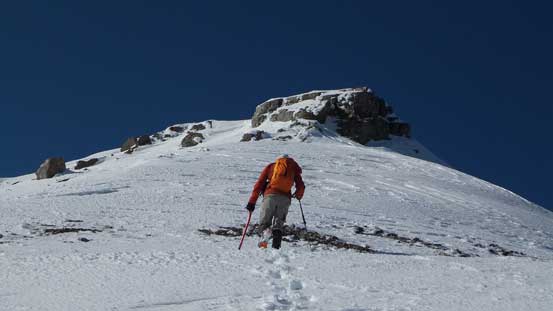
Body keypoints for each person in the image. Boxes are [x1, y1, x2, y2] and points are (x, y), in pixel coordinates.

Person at [246, 154, 305, 249]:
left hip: (270, 196)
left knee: (264, 223)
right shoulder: (293, 169)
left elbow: (259, 184)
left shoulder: (271, 166)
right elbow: (301, 186)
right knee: (278, 225)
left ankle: (265, 238)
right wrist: (298, 195)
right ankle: (276, 248)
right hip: (285, 199)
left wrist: (251, 202)